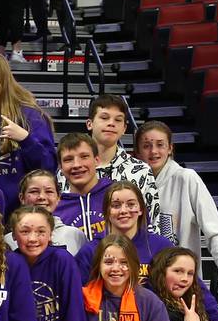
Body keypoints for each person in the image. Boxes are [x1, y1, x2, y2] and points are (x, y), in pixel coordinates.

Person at [136, 121, 218, 300]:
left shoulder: (188, 179)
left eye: (160, 145)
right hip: (141, 288)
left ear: (170, 148)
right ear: (138, 152)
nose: (154, 152)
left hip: (181, 289)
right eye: (146, 146)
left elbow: (215, 233)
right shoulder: (131, 186)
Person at [9, 205, 95, 321]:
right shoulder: (10, 264)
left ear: (51, 234)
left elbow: (74, 318)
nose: (33, 238)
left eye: (41, 232)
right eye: (25, 232)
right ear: (14, 236)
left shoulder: (63, 260)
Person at [0, 53, 56, 203]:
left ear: (4, 79)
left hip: (25, 212)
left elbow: (48, 166)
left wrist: (25, 139)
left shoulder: (30, 116)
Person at [68, 95, 161, 234]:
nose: (111, 123)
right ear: (90, 124)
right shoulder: (71, 169)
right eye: (104, 118)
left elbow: (153, 223)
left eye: (118, 120)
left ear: (124, 128)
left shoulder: (140, 171)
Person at [55, 133, 113, 247]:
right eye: (68, 159)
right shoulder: (56, 208)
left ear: (97, 160)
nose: (76, 164)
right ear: (60, 167)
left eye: (84, 156)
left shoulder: (117, 196)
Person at [14, 169, 87, 254]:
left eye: (49, 191)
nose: (41, 197)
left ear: (58, 197)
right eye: (34, 191)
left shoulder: (75, 235)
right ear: (22, 198)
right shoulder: (8, 240)